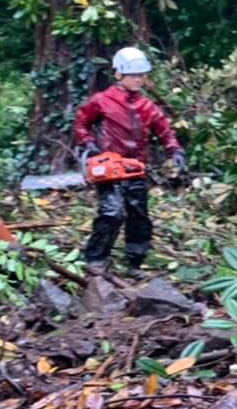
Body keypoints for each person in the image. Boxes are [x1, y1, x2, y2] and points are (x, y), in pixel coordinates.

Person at [72, 46, 187, 276]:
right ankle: (95, 259)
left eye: (142, 75)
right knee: (112, 212)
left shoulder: (147, 106)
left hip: (136, 167)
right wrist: (89, 144)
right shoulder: (102, 101)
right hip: (109, 166)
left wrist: (174, 150)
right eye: (134, 75)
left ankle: (134, 262)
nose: (139, 79)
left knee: (138, 215)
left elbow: (165, 131)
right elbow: (80, 123)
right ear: (119, 75)